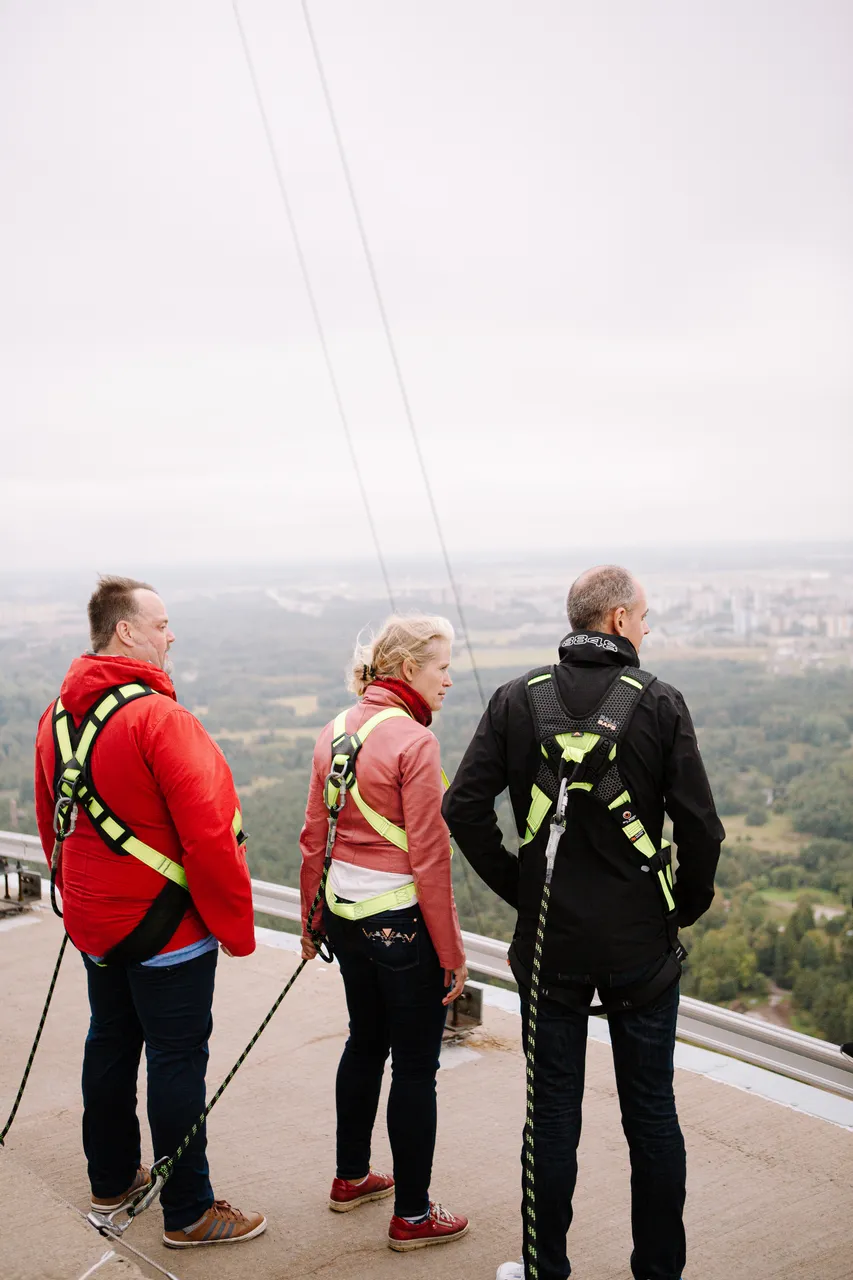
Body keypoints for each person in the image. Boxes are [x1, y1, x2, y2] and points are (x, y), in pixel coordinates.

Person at [443, 565, 724, 1280]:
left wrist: (522, 890)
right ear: (618, 620)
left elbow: (463, 809)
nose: (647, 628)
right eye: (644, 616)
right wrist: (675, 909)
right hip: (640, 948)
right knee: (651, 1117)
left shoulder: (516, 699)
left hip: (550, 949)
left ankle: (545, 1269)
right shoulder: (658, 702)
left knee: (551, 1117)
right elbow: (700, 831)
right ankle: (657, 1272)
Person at [33, 575, 266, 1249]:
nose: (171, 635)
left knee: (110, 1038)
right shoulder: (160, 719)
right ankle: (190, 1211)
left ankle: (110, 1174)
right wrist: (235, 929)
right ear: (126, 631)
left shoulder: (56, 715)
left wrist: (81, 900)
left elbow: (57, 821)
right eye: (161, 623)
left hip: (95, 920)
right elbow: (211, 833)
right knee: (175, 1055)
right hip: (165, 926)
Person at [299, 614, 470, 1251]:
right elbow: (430, 855)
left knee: (365, 1042)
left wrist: (311, 918)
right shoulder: (414, 743)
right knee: (416, 1069)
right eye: (441, 667)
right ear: (407, 671)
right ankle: (414, 1215)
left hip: (344, 916)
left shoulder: (333, 730)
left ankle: (350, 1176)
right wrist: (451, 953)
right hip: (402, 924)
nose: (448, 679)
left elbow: (315, 836)